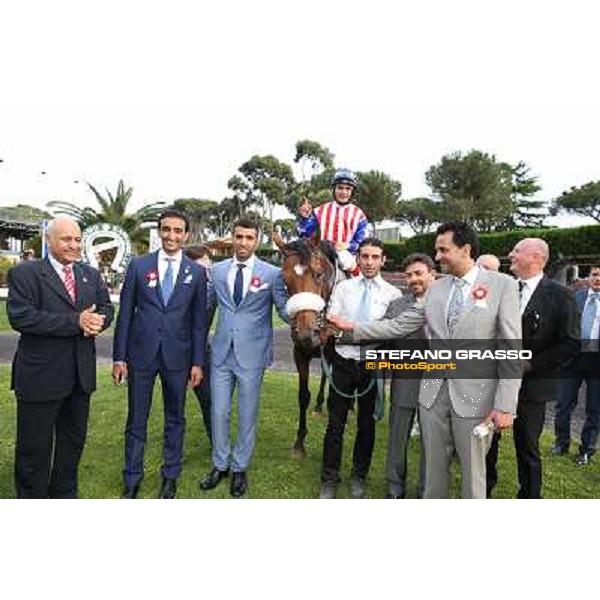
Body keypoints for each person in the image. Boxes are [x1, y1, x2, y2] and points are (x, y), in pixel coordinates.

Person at [329, 221, 522, 499]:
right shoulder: (437, 289)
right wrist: (351, 328)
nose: (439, 256)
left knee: (472, 472)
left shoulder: (502, 285)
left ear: (465, 249)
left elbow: (511, 349)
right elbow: (398, 326)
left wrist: (506, 405)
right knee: (433, 469)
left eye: (443, 250)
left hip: (475, 396)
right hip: (432, 394)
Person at [7, 217, 114, 498]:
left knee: (71, 447)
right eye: (67, 239)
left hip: (80, 379)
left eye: (78, 239)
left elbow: (105, 307)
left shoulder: (90, 274)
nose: (74, 245)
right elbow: (22, 317)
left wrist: (97, 322)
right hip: (40, 379)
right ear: (49, 240)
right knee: (34, 451)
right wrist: (76, 322)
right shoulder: (25, 274)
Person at [112, 209, 208, 499]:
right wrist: (118, 357)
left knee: (175, 418)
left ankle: (170, 476)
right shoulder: (139, 266)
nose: (172, 236)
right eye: (166, 229)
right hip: (140, 355)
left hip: (178, 358)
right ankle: (132, 477)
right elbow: (125, 315)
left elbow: (199, 324)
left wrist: (197, 362)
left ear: (186, 235)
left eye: (178, 231)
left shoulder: (196, 272)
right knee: (136, 419)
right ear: (159, 231)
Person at [199, 218, 289, 498]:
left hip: (252, 355)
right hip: (221, 352)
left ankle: (239, 468)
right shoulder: (217, 270)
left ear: (256, 241)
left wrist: (307, 308)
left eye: (249, 238)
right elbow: (207, 309)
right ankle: (220, 464)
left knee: (246, 414)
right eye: (239, 237)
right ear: (232, 238)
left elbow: (285, 311)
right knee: (219, 412)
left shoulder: (272, 274)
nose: (243, 243)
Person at [319, 238, 401, 499]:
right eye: (364, 256)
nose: (369, 262)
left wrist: (348, 329)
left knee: (367, 425)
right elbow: (331, 323)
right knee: (335, 424)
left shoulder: (393, 295)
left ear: (383, 259)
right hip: (343, 363)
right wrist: (339, 331)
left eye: (375, 257)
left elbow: (390, 332)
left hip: (373, 365)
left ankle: (358, 476)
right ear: (358, 258)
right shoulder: (343, 288)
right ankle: (329, 478)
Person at [499, 238, 579, 498]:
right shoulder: (503, 288)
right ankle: (482, 493)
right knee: (486, 445)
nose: (510, 254)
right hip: (494, 381)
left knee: (527, 448)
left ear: (536, 257)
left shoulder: (561, 295)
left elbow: (570, 343)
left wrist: (530, 364)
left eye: (517, 251)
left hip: (532, 388)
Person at [384, 253, 436, 499]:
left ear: (432, 274)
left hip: (438, 383)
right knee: (397, 437)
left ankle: (427, 490)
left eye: (418, 273)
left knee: (432, 442)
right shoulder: (396, 306)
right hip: (404, 380)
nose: (413, 279)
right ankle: (395, 488)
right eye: (409, 275)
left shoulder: (448, 302)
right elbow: (382, 337)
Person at [552, 265, 600, 465]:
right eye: (595, 274)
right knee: (563, 404)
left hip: (597, 363)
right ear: (589, 276)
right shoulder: (576, 297)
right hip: (572, 360)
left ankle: (587, 450)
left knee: (594, 409)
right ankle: (561, 443)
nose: (598, 278)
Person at [297, 168, 368, 276]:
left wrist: (347, 246)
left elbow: (362, 242)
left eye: (348, 189)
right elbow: (305, 234)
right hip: (319, 253)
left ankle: (359, 280)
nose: (344, 192)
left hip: (345, 254)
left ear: (352, 191)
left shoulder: (359, 215)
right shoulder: (319, 211)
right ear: (334, 189)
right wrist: (305, 218)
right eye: (340, 188)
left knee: (344, 259)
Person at [184, 244, 214, 449]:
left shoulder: (213, 289)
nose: (205, 271)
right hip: (175, 353)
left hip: (202, 353)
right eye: (200, 267)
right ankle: (174, 452)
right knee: (175, 404)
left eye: (208, 266)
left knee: (210, 402)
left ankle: (218, 446)